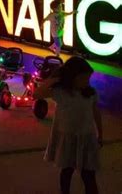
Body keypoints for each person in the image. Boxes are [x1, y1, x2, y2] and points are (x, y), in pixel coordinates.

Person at [34, 56, 102, 194]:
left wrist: (100, 134)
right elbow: (37, 94)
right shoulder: (61, 93)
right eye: (83, 78)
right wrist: (56, 78)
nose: (86, 82)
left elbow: (96, 113)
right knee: (67, 171)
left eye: (88, 79)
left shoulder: (90, 93)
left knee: (88, 174)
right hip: (68, 138)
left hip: (86, 137)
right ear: (72, 77)